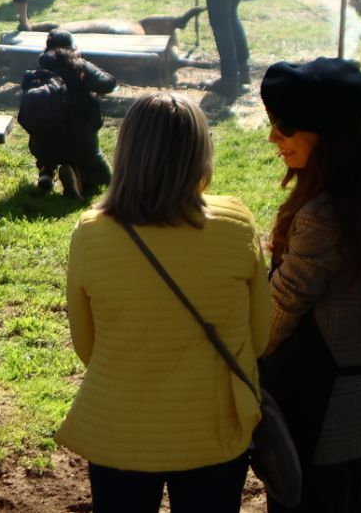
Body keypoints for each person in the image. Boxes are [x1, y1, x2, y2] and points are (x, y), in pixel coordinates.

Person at [58, 93, 271, 513]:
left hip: (119, 431)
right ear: (200, 152)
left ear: (127, 151)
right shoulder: (236, 224)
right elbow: (258, 337)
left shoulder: (91, 232)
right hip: (214, 431)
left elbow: (87, 346)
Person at [257, 59, 361, 513]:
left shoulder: (320, 216)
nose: (275, 137)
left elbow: (273, 322)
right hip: (360, 408)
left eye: (285, 127)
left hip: (317, 414)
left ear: (326, 137)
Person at [19, 31, 115, 197]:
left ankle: (46, 172)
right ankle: (76, 173)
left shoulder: (38, 71)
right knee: (104, 181)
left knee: (49, 127)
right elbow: (109, 84)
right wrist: (87, 68)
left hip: (42, 148)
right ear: (73, 47)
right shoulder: (81, 67)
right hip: (83, 146)